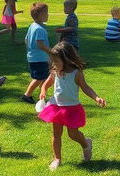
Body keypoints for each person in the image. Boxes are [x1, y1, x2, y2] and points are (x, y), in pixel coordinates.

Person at [38, 41, 106, 169]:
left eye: (57, 61)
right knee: (56, 133)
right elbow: (46, 84)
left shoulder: (76, 73)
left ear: (67, 60)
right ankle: (57, 158)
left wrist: (96, 97)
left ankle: (86, 144)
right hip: (56, 107)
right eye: (53, 61)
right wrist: (43, 91)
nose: (54, 64)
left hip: (72, 108)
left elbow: (85, 88)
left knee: (73, 134)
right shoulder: (55, 71)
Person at [22, 2, 51, 104]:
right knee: (39, 78)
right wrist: (50, 51)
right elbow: (40, 44)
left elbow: (26, 40)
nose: (48, 15)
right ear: (40, 15)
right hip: (39, 58)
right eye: (46, 13)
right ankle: (27, 94)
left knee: (43, 77)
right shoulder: (39, 29)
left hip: (33, 57)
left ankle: (42, 95)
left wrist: (30, 50)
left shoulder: (33, 26)